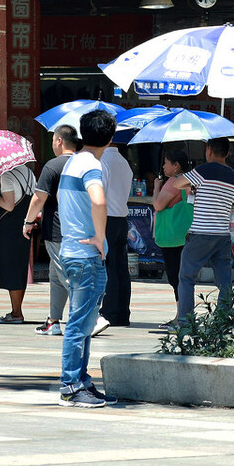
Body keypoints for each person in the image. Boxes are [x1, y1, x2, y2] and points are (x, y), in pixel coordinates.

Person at [56, 109, 117, 409]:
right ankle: (70, 386)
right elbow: (99, 199)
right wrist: (99, 237)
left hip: (71, 251)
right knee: (80, 324)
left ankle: (80, 381)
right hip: (86, 255)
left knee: (84, 323)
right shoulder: (91, 166)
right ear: (110, 138)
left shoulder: (72, 163)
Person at [159, 138, 234, 325]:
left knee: (186, 277)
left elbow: (178, 183)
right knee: (225, 281)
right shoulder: (233, 176)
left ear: (208, 150)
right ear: (227, 153)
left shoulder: (204, 170)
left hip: (201, 233)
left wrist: (192, 183)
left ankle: (185, 321)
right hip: (223, 235)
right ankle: (223, 319)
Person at [21, 125, 81, 336]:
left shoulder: (53, 166)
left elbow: (39, 198)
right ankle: (53, 321)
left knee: (66, 276)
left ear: (59, 141)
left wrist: (28, 222)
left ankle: (91, 316)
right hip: (80, 228)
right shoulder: (85, 164)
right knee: (55, 276)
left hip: (57, 229)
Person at [0, 160, 35, 324]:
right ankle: (17, 310)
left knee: (11, 268)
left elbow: (9, 205)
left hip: (10, 229)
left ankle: (16, 312)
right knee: (20, 268)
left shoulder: (6, 176)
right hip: (25, 226)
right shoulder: (29, 173)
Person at [93, 142, 134, 335]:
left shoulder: (104, 162)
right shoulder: (124, 162)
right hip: (121, 219)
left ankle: (108, 311)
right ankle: (122, 312)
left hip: (107, 218)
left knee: (107, 267)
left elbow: (99, 195)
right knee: (120, 267)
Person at [152, 148, 194, 328]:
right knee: (183, 276)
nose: (163, 166)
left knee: (174, 277)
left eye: (166, 163)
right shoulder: (190, 181)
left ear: (176, 166)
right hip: (184, 234)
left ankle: (181, 317)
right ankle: (183, 315)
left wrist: (156, 188)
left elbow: (158, 205)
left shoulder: (173, 181)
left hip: (172, 237)